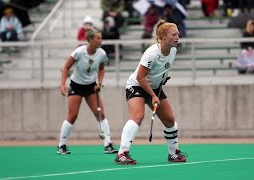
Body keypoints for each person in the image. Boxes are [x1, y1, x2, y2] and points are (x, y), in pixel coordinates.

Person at [114, 20, 187, 165]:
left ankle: (173, 154)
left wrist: (162, 79)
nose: (177, 37)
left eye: (178, 34)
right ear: (163, 37)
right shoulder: (152, 53)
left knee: (170, 120)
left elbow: (162, 70)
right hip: (136, 85)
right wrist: (153, 96)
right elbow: (140, 77)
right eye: (174, 34)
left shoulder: (173, 51)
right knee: (138, 116)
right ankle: (122, 153)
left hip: (154, 87)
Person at [57, 28, 118, 155]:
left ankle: (108, 144)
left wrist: (99, 83)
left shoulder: (101, 54)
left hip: (91, 87)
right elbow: (66, 67)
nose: (100, 40)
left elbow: (101, 69)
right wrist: (63, 84)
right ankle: (61, 145)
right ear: (90, 40)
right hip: (76, 86)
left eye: (101, 38)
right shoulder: (79, 52)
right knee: (72, 116)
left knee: (100, 114)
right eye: (98, 38)